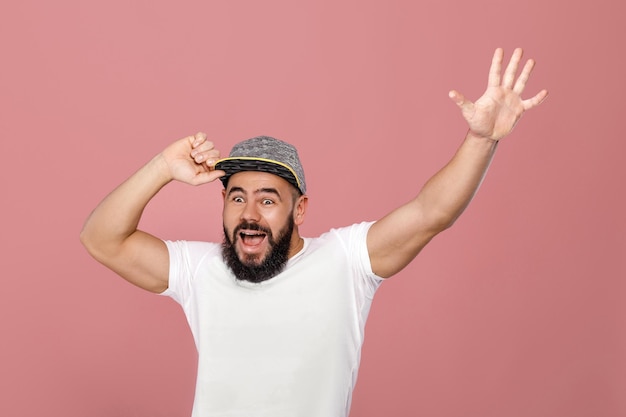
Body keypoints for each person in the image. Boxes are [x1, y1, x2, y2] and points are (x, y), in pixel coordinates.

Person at [80, 48, 547, 417]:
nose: (249, 214)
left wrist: (481, 140)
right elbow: (102, 239)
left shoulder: (345, 262)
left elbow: (431, 213)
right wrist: (163, 166)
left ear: (300, 209)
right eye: (236, 197)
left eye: (267, 199)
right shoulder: (198, 270)